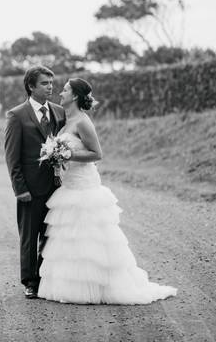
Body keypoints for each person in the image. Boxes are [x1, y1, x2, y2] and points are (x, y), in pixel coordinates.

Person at [37, 78, 177, 304]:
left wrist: (67, 155)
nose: (60, 93)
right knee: (71, 234)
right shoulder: (66, 120)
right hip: (70, 184)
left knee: (90, 234)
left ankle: (101, 286)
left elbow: (97, 153)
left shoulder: (82, 121)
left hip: (84, 184)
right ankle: (71, 286)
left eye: (64, 90)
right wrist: (56, 157)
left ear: (74, 96)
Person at [4, 65, 66, 299]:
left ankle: (46, 278)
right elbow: (12, 156)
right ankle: (30, 281)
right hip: (30, 188)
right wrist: (20, 189)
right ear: (31, 86)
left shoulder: (60, 112)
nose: (50, 87)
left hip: (58, 187)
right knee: (30, 237)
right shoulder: (17, 115)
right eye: (44, 83)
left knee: (51, 235)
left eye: (51, 83)